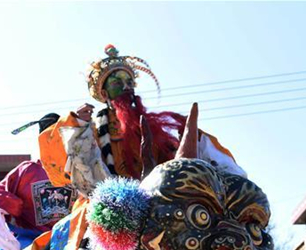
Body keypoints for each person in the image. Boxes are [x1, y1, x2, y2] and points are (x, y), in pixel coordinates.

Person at [38, 45, 244, 195]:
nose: (126, 86)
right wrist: (76, 126)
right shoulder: (90, 130)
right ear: (104, 92)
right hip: (108, 205)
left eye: (129, 81)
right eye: (117, 82)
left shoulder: (156, 130)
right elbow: (62, 171)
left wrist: (191, 141)